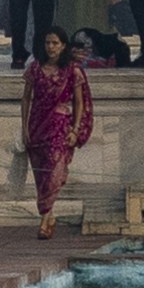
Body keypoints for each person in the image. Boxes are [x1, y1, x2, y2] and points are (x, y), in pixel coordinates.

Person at [20, 35, 93, 240]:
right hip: (37, 126)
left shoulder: (72, 70)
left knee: (55, 171)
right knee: (41, 175)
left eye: (55, 43)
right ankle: (48, 215)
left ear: (63, 46)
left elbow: (79, 102)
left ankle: (44, 220)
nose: (50, 47)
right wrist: (24, 127)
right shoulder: (35, 68)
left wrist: (75, 129)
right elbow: (26, 98)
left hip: (60, 126)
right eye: (47, 42)